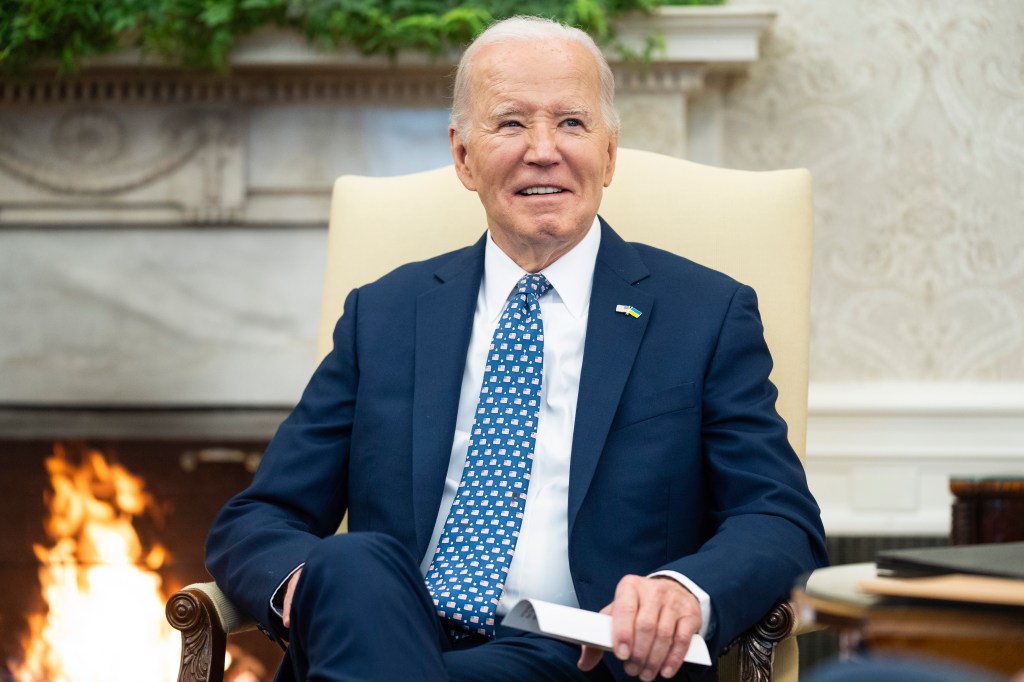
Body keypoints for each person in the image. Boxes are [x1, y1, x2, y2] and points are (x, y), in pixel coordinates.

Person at [206, 15, 827, 682]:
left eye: (571, 123)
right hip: (389, 625)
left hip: (577, 655)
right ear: (463, 156)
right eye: (509, 123)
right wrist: (315, 586)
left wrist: (680, 590)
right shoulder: (384, 314)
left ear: (609, 152)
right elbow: (261, 515)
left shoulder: (703, 314)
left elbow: (777, 515)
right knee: (352, 563)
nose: (542, 150)